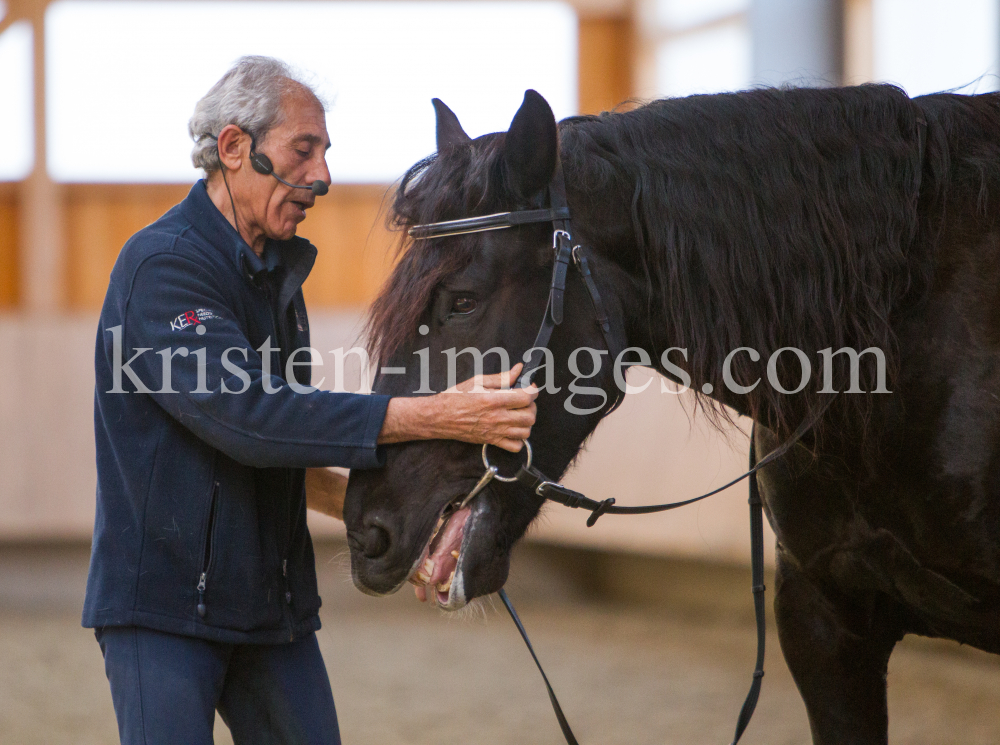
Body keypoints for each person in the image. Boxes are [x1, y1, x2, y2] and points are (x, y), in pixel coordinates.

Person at [82, 55, 537, 745]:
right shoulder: (162, 267)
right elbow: (249, 417)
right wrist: (438, 413)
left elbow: (283, 452)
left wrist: (407, 529)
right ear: (235, 147)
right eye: (305, 149)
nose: (322, 175)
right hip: (163, 615)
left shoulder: (274, 283)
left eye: (325, 152)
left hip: (271, 612)